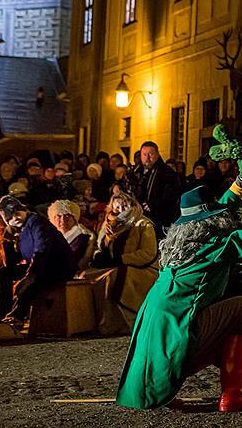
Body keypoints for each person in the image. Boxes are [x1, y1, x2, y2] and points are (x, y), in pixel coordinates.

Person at [115, 158, 242, 411]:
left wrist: (241, 182)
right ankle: (233, 394)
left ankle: (165, 393)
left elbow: (217, 210)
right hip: (180, 329)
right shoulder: (213, 243)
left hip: (156, 324)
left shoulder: (181, 239)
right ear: (208, 220)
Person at [82, 191, 158, 335]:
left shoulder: (143, 224)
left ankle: (120, 323)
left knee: (113, 277)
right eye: (117, 207)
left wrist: (120, 259)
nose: (121, 210)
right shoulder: (109, 225)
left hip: (143, 269)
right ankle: (91, 322)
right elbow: (100, 247)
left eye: (124, 206)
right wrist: (102, 251)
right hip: (116, 265)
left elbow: (148, 253)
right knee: (87, 276)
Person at [0, 195, 76, 322]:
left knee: (34, 283)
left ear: (23, 209)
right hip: (40, 266)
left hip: (57, 266)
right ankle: (2, 312)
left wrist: (30, 276)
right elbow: (11, 263)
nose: (15, 218)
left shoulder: (37, 222)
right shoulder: (21, 231)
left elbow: (41, 249)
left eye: (17, 213)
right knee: (4, 273)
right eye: (10, 217)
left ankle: (17, 315)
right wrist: (7, 242)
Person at [129, 141, 181, 238]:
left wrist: (153, 204)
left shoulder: (166, 172)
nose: (147, 158)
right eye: (144, 154)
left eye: (151, 154)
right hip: (139, 217)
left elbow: (171, 196)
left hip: (158, 219)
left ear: (157, 154)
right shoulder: (136, 171)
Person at [48, 199, 93, 271]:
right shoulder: (47, 236)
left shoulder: (81, 238)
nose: (63, 220)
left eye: (67, 215)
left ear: (74, 219)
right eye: (59, 216)